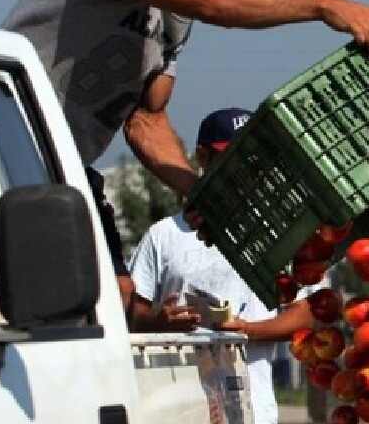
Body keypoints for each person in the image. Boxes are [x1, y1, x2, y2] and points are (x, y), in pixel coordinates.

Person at [0, 0, 369, 310]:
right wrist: (322, 4)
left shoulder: (175, 19)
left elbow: (145, 120)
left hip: (62, 170)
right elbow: (213, 3)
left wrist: (201, 194)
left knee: (118, 299)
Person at [128, 107, 321, 424]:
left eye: (251, 160)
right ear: (202, 157)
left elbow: (307, 313)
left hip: (252, 412)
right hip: (177, 413)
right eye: (229, 158)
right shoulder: (164, 235)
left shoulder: (279, 234)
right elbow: (134, 315)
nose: (241, 170)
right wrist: (161, 321)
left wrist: (248, 331)